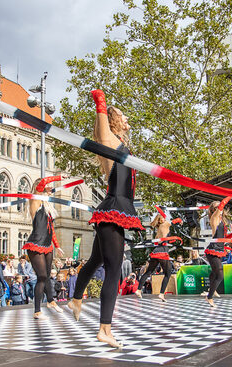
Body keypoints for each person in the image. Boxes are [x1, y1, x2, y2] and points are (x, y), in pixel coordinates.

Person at [69, 90, 144, 348]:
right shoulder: (110, 142)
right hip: (114, 210)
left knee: (97, 260)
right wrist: (101, 103)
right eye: (123, 117)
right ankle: (104, 329)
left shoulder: (122, 146)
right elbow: (101, 132)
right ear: (113, 121)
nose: (128, 122)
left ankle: (76, 298)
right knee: (113, 270)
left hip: (115, 211)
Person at [23, 176, 65, 319]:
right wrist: (60, 177)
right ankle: (37, 311)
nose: (50, 189)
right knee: (41, 277)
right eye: (48, 187)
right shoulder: (35, 201)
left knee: (47, 276)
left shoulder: (47, 209)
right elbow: (42, 183)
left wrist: (57, 246)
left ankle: (51, 301)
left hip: (48, 245)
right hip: (36, 243)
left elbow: (51, 230)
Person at [136, 211, 173, 302]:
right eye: (164, 217)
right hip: (162, 252)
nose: (166, 218)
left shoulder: (158, 230)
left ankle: (138, 289)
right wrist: (179, 220)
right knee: (168, 274)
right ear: (161, 219)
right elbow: (173, 222)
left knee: (148, 272)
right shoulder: (165, 225)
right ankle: (161, 294)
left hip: (156, 252)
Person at [203, 196, 232, 307]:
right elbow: (222, 205)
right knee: (220, 275)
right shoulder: (214, 218)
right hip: (213, 250)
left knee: (215, 272)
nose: (218, 209)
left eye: (218, 207)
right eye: (215, 208)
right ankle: (209, 297)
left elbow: (222, 238)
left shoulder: (221, 220)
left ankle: (211, 289)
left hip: (219, 249)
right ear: (212, 210)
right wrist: (230, 195)